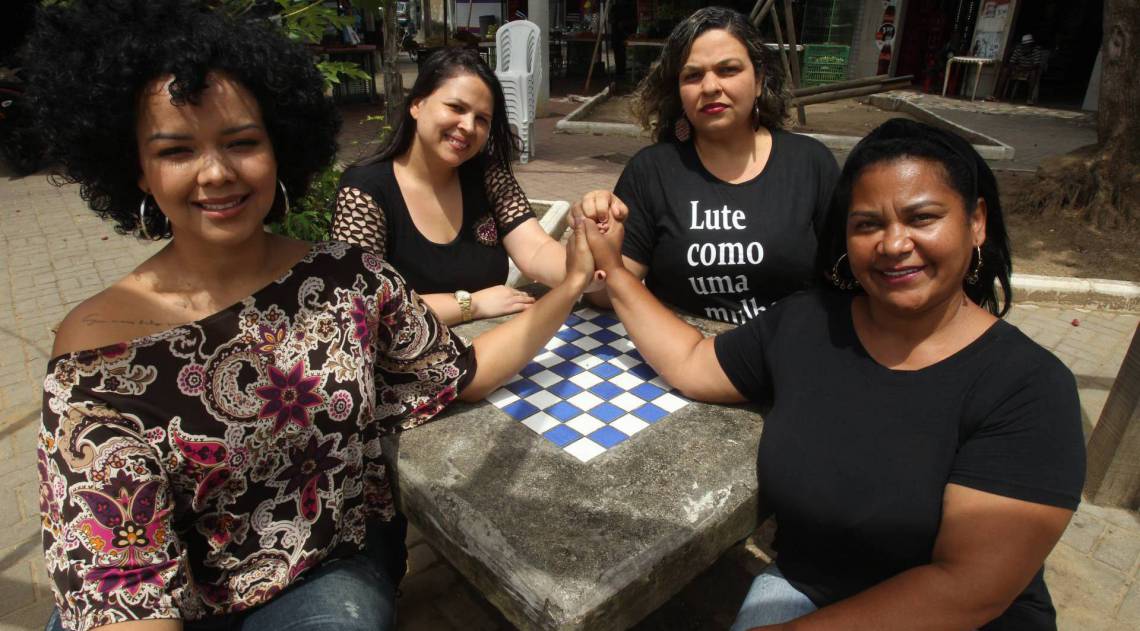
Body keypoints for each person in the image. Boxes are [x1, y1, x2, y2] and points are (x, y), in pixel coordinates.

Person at [27, 2, 597, 630]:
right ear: (137, 169)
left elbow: (461, 371)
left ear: (279, 146)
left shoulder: (346, 278)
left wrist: (572, 283)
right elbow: (121, 583)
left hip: (326, 568)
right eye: (177, 150)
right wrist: (477, 301)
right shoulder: (98, 353)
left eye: (242, 142)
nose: (216, 173)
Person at [577, 118, 1084, 629]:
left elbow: (967, 589)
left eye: (922, 218)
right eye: (867, 224)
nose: (893, 244)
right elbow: (691, 362)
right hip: (808, 586)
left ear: (976, 222)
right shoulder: (808, 322)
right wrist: (614, 270)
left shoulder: (1030, 389)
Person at [579, 6, 839, 325]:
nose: (710, 87)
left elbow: (846, 277)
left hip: (790, 347)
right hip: (680, 349)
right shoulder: (651, 171)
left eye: (728, 70)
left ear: (759, 80)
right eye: (693, 75)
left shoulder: (811, 163)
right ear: (678, 90)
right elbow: (606, 295)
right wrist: (598, 246)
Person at [332, 48, 603, 325]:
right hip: (412, 352)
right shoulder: (363, 192)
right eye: (456, 108)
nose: (469, 126)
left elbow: (535, 250)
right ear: (417, 105)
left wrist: (587, 269)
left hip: (493, 343)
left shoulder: (487, 175)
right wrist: (470, 305)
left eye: (482, 119)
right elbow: (361, 307)